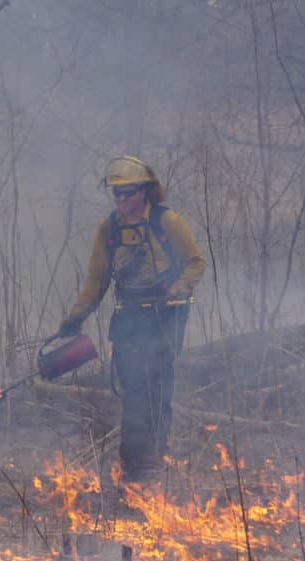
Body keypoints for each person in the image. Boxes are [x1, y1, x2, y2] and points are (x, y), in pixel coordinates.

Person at [57, 155, 206, 484]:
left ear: (144, 192)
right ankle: (132, 463)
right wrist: (75, 319)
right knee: (131, 388)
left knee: (157, 386)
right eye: (117, 194)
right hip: (128, 317)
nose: (122, 200)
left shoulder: (168, 223)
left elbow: (196, 262)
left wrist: (178, 290)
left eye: (128, 193)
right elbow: (96, 281)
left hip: (165, 316)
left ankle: (153, 459)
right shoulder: (108, 229)